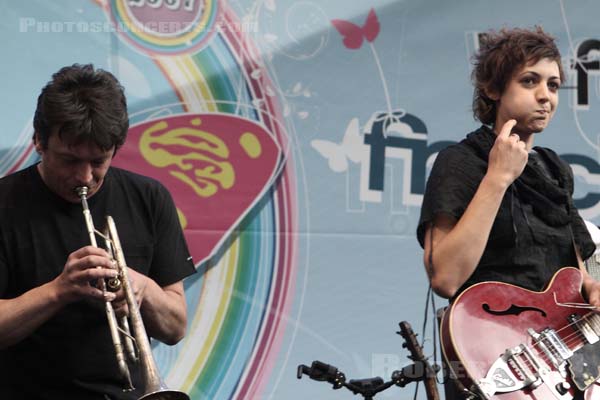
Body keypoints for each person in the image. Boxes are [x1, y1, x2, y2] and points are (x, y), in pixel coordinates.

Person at [416, 27, 598, 398]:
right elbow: (445, 279)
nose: (545, 96)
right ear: (493, 89)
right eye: (529, 81)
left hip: (560, 363)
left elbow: (573, 274)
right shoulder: (461, 162)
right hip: (493, 351)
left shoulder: (554, 169)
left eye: (553, 84)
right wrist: (497, 178)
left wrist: (593, 288)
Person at [0, 64, 196, 399]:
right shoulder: (5, 203)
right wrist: (59, 290)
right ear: (38, 141)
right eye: (69, 160)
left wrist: (143, 289)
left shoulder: (149, 197)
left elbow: (175, 326)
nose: (85, 177)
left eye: (99, 161)